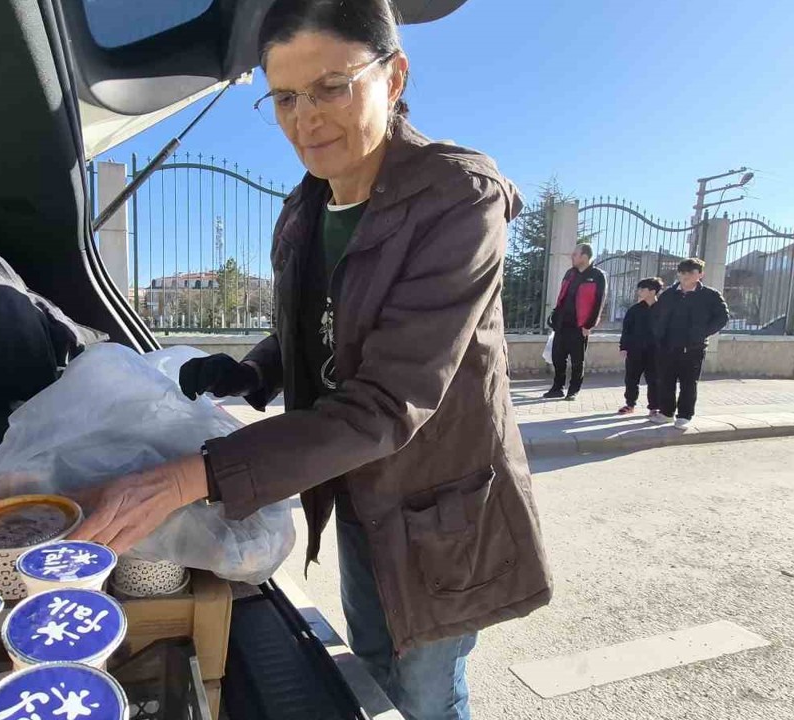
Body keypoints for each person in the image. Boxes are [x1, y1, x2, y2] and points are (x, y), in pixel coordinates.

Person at [68, 2, 552, 718]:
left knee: (426, 687)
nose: (306, 118)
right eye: (286, 97)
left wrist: (189, 477)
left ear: (393, 77)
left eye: (332, 86)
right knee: (373, 655)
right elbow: (324, 331)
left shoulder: (458, 199)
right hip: (352, 491)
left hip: (436, 506)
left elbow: (390, 399)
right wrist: (255, 370)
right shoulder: (303, 210)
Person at [651, 258, 729, 429]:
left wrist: (701, 333)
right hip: (667, 346)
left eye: (690, 273)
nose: (685, 276)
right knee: (666, 381)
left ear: (700, 274)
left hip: (693, 348)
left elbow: (722, 317)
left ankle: (684, 416)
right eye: (682, 272)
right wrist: (658, 335)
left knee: (688, 383)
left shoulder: (710, 296)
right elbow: (656, 316)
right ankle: (666, 413)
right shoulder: (669, 294)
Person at [543, 243, 606, 401]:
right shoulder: (570, 273)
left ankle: (573, 390)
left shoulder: (598, 276)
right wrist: (555, 316)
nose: (572, 256)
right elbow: (562, 296)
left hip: (580, 326)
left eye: (575, 254)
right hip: (562, 324)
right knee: (558, 357)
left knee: (578, 361)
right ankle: (557, 388)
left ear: (584, 257)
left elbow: (599, 302)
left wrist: (589, 325)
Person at [617, 277, 664, 416]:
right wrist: (623, 347)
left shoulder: (663, 309)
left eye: (642, 289)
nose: (639, 291)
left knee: (654, 379)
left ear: (652, 291)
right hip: (635, 350)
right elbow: (627, 329)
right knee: (631, 378)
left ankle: (654, 407)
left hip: (655, 351)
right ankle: (630, 404)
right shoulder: (635, 310)